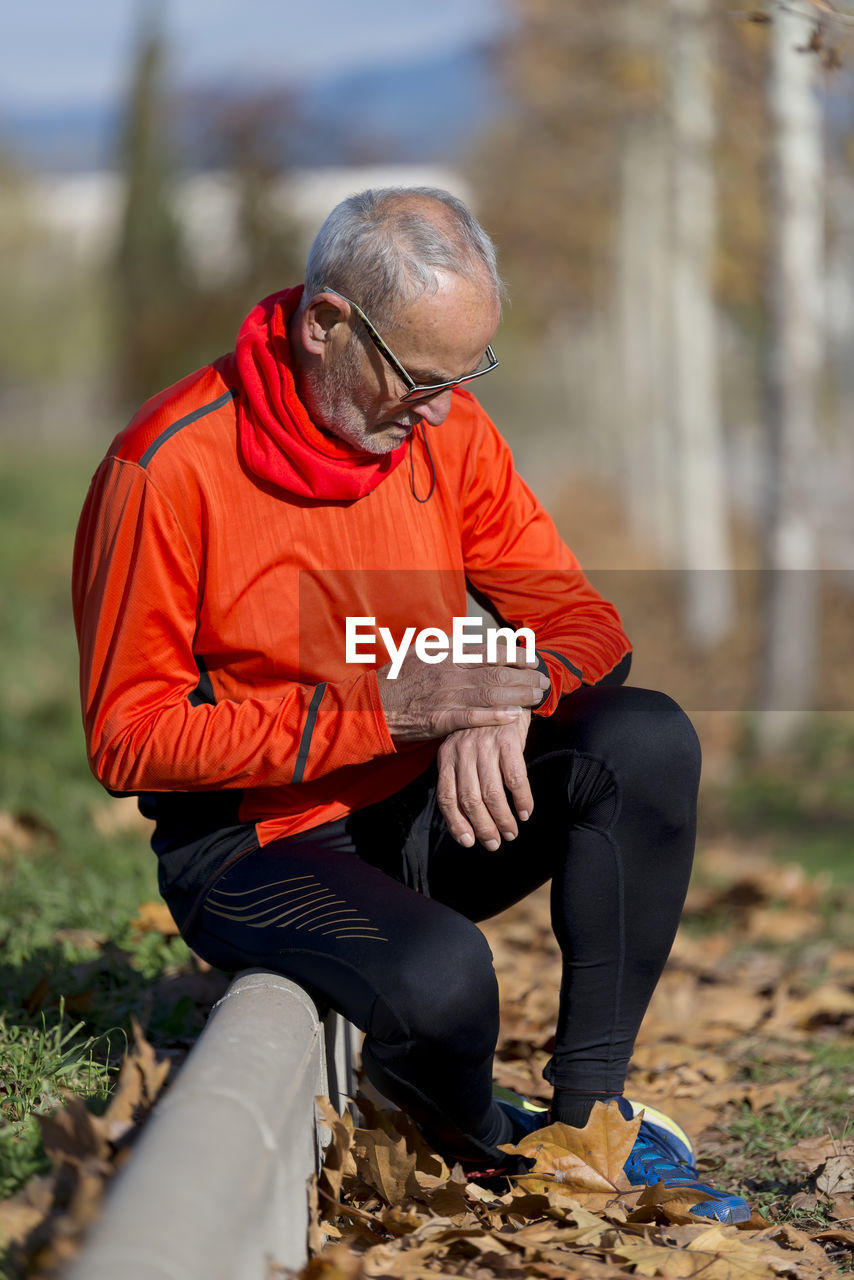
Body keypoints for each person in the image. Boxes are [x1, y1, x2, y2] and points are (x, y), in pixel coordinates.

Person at [72, 187, 749, 1222]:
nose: (438, 410)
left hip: (431, 809)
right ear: (323, 324)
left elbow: (582, 621)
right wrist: (387, 710)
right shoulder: (164, 467)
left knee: (645, 736)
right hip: (255, 849)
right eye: (420, 378)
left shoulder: (448, 430)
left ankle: (591, 1122)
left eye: (463, 375)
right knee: (444, 982)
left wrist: (500, 694)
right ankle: (490, 1140)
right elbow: (129, 737)